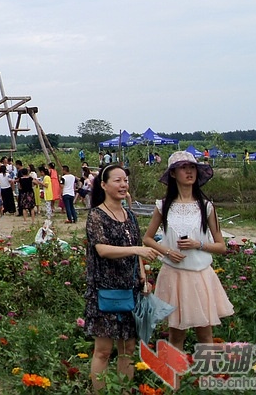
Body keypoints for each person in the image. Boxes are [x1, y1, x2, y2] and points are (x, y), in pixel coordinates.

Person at [142, 151, 233, 348]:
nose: (189, 172)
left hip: (200, 276)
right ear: (173, 174)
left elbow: (221, 246)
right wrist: (167, 251)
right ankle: (175, 376)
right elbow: (147, 238)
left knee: (205, 335)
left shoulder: (206, 207)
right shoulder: (164, 206)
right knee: (176, 336)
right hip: (174, 276)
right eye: (183, 168)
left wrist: (198, 244)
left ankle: (209, 376)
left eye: (192, 167)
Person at [85, 164, 158, 392]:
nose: (123, 184)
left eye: (125, 180)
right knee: (104, 350)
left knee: (128, 347)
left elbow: (136, 249)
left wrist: (143, 278)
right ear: (104, 185)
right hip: (104, 290)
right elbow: (103, 250)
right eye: (117, 180)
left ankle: (124, 390)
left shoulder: (130, 216)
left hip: (131, 290)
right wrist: (137, 251)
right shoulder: (96, 215)